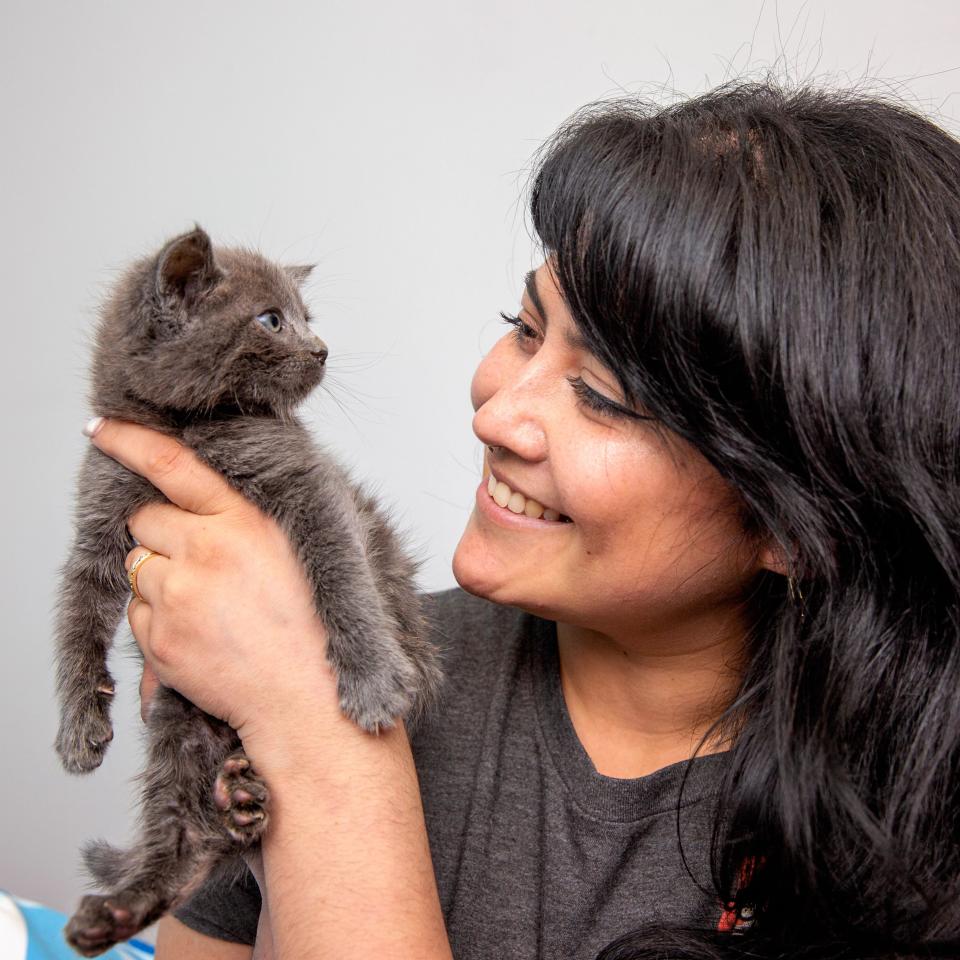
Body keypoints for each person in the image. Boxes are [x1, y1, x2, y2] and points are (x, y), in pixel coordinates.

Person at [84, 81, 960, 959]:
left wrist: (320, 742)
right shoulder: (312, 646)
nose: (496, 413)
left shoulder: (911, 854)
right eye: (525, 326)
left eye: (605, 396)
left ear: (799, 528)